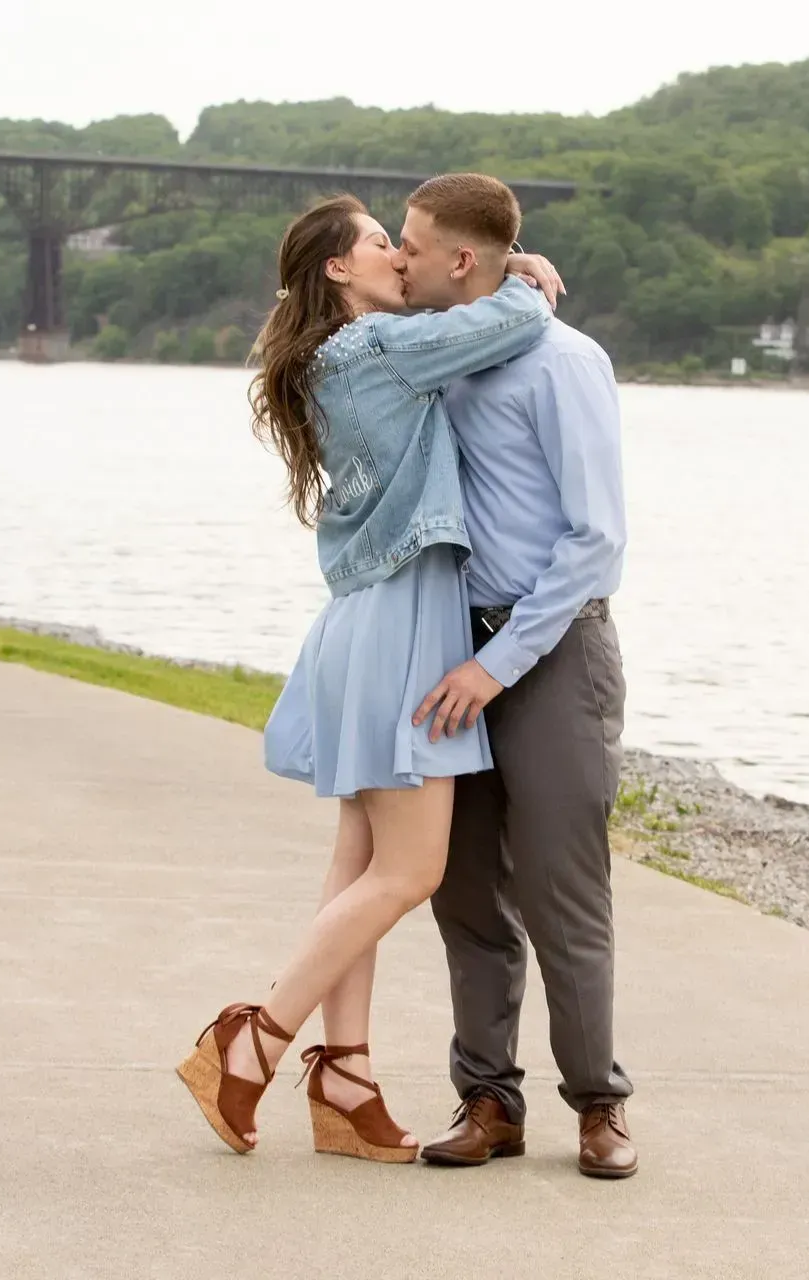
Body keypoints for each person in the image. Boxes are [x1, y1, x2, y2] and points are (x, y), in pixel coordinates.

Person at [176, 192, 564, 1164]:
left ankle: (345, 1075)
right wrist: (522, 269)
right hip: (402, 622)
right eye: (383, 245)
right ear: (340, 272)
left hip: (362, 619)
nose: (400, 257)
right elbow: (514, 317)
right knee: (411, 870)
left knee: (358, 858)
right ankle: (254, 1036)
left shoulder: (332, 361)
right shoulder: (379, 352)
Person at [392, 175, 636, 1179]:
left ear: (462, 259)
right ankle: (489, 1098)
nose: (399, 257)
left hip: (551, 654)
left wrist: (496, 667)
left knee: (561, 893)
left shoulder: (566, 363)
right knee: (463, 893)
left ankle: (600, 1105)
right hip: (452, 653)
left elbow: (595, 540)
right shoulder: (437, 351)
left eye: (412, 244)